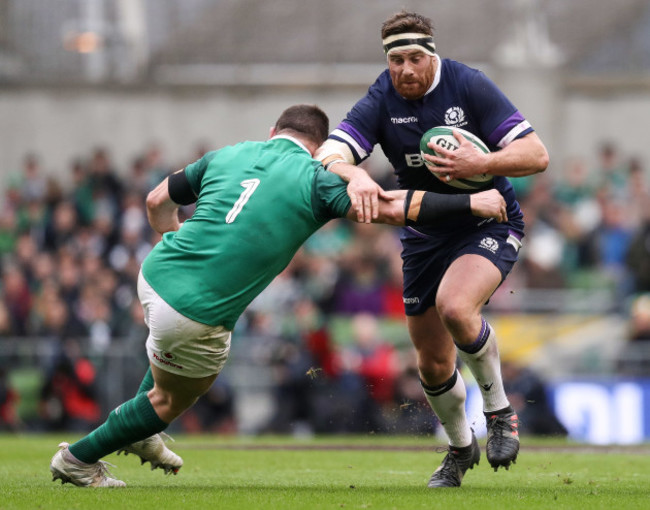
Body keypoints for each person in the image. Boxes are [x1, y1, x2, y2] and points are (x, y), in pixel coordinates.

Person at [49, 103, 508, 488]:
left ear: (273, 133)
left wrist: (177, 243)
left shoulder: (228, 153)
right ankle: (79, 460)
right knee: (168, 400)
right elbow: (390, 207)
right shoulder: (316, 178)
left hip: (154, 275)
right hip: (196, 312)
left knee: (166, 363)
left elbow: (155, 202)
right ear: (322, 148)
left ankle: (145, 431)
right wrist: (472, 202)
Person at [316, 11, 549, 487]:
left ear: (432, 54)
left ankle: (500, 412)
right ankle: (461, 449)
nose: (404, 68)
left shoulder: (468, 85)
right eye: (396, 59)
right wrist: (356, 172)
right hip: (424, 235)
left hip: (488, 219)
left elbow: (536, 154)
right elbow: (328, 153)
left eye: (414, 58)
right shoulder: (382, 96)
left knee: (456, 307)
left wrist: (482, 160)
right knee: (433, 362)